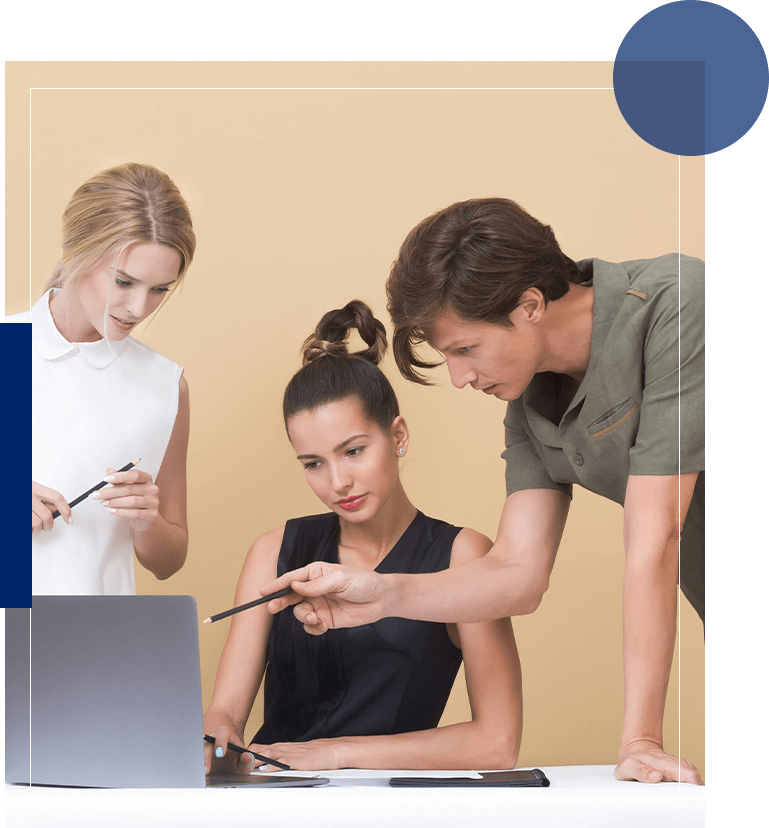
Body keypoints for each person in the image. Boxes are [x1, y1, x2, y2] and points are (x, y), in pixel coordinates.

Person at [261, 198, 705, 785]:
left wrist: (641, 739)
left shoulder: (677, 304)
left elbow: (656, 535)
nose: (459, 377)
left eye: (464, 349)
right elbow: (518, 575)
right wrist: (382, 594)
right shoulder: (527, 397)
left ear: (529, 305)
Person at [203, 300, 522, 775]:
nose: (338, 483)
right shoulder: (274, 552)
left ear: (398, 436)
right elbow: (225, 713)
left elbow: (497, 743)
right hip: (272, 798)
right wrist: (216, 737)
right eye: (313, 463)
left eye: (353, 451)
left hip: (386, 807)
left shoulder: (463, 556)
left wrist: (333, 755)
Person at [9, 162, 196, 595]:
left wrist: (148, 521)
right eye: (124, 281)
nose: (137, 307)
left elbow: (169, 562)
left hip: (92, 645)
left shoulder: (163, 386)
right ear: (78, 251)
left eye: (159, 289)